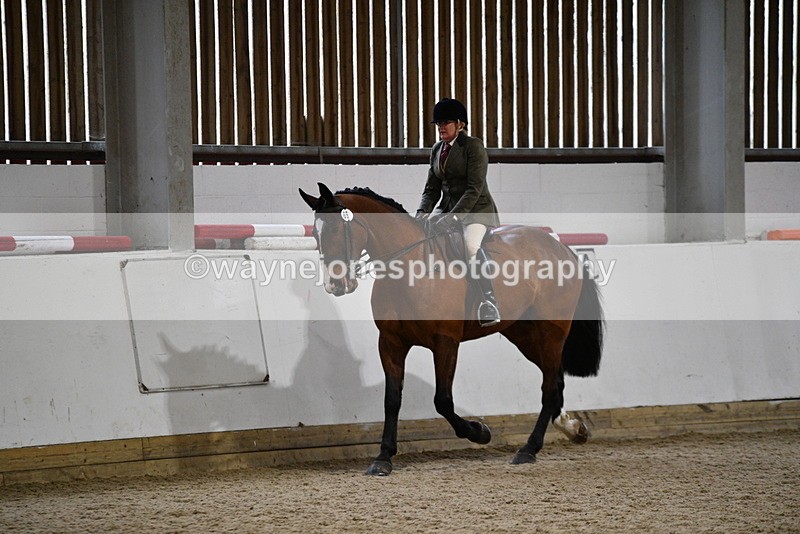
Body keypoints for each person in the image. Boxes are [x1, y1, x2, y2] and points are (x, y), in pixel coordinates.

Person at [415, 97, 501, 327]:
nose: (441, 127)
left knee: (470, 246)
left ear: (460, 124)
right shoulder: (437, 149)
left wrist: (454, 217)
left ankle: (488, 301)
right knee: (423, 238)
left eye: (446, 122)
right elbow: (432, 189)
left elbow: (474, 189)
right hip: (446, 208)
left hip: (476, 211)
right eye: (438, 123)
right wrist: (422, 212)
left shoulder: (473, 147)